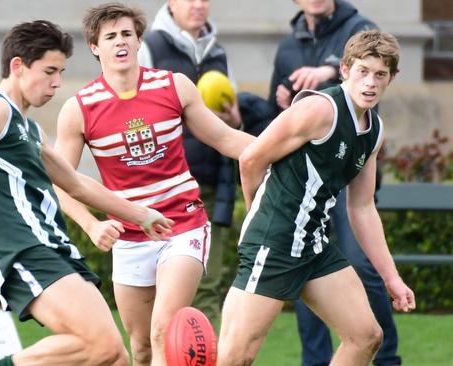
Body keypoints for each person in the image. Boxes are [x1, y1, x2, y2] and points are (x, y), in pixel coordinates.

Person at [0, 20, 175, 366]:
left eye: (60, 72)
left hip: (52, 246)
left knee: (115, 357)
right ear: (18, 66)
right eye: (49, 71)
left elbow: (76, 184)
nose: (56, 83)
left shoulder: (29, 127)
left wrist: (142, 215)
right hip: (22, 248)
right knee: (103, 346)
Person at [53, 3, 254, 365]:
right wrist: (91, 223)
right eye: (110, 36)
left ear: (139, 39)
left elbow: (225, 139)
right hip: (129, 238)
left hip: (183, 225)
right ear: (95, 46)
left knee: (164, 329)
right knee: (142, 345)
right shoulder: (79, 109)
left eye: (127, 34)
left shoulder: (174, 86)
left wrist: (284, 149)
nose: (120, 43)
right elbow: (58, 182)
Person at [217, 30, 416, 366]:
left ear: (392, 78)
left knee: (367, 336)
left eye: (380, 74)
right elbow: (251, 158)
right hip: (275, 242)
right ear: (344, 69)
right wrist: (258, 217)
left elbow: (362, 207)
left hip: (314, 246)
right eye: (363, 71)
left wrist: (392, 278)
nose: (370, 82)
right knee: (236, 358)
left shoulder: (374, 130)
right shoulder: (319, 109)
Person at [268, 1, 402, 365]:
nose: (372, 80)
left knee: (361, 265)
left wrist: (323, 70)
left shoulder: (357, 26)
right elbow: (272, 118)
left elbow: (366, 71)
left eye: (379, 75)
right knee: (309, 270)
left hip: (347, 173)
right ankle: (316, 360)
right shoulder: (288, 44)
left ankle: (386, 359)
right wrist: (283, 102)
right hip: (306, 181)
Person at [137, 0, 241, 325]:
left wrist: (232, 117)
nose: (198, 5)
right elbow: (134, 112)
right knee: (154, 290)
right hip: (161, 189)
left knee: (206, 285)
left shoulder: (218, 52)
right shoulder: (149, 46)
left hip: (208, 184)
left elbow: (232, 122)